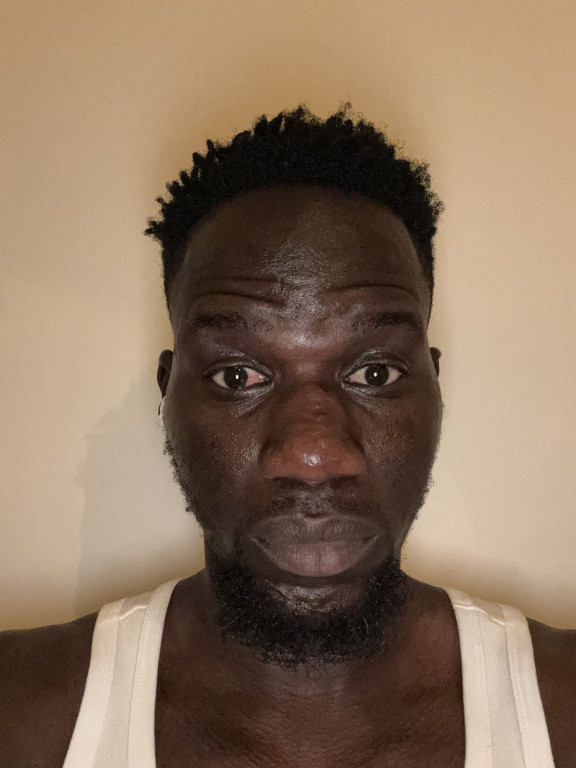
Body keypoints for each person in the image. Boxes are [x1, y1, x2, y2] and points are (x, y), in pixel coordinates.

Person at [1, 106, 574, 768]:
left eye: (376, 373)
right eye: (237, 376)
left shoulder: (561, 707)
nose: (313, 455)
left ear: (433, 386)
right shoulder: (22, 713)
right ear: (169, 394)